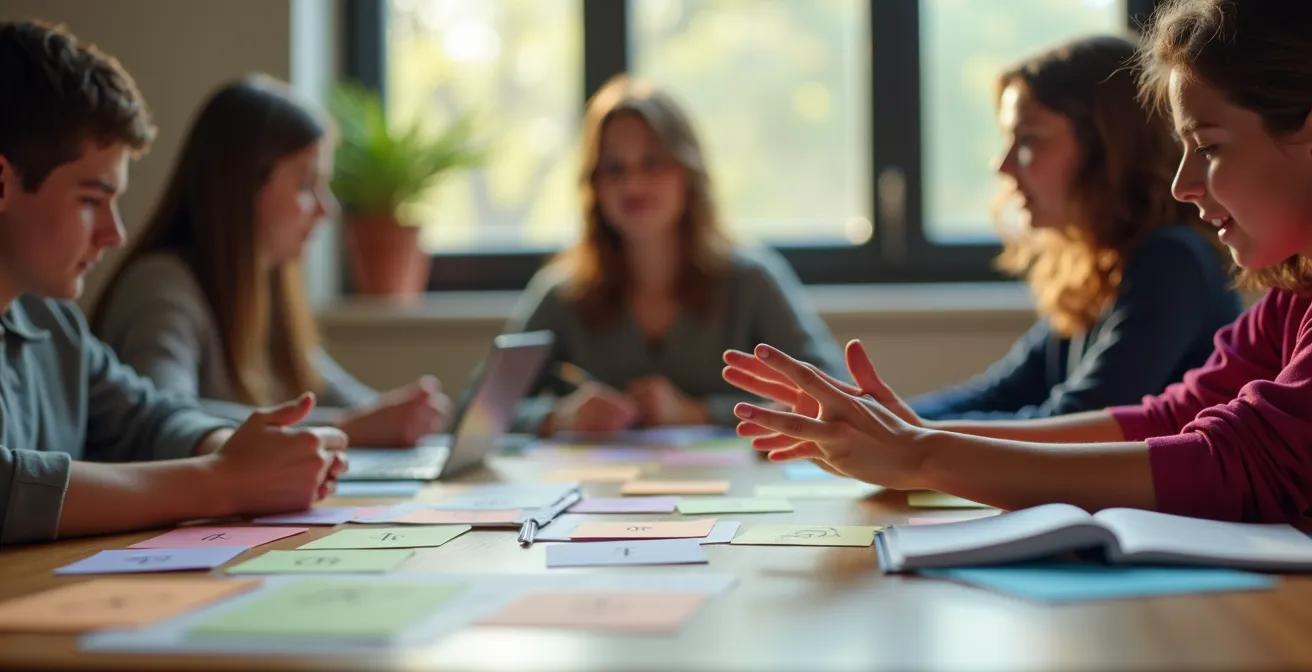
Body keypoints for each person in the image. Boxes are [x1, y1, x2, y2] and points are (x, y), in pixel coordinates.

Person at [723, 0, 1312, 524]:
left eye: (1208, 147)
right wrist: (902, 434)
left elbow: (1233, 463)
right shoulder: (1292, 299)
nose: (1186, 183)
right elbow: (1172, 416)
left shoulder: (1173, 260)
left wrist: (918, 453)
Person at [0, 20, 347, 545]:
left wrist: (227, 447)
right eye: (91, 201)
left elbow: (145, 417)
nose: (115, 233)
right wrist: (222, 482)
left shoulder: (50, 322)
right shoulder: (159, 285)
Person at [92, 76, 450, 448]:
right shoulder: (161, 285)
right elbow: (163, 418)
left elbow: (350, 403)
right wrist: (345, 428)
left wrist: (423, 417)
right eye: (306, 185)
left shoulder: (270, 289)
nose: (327, 210)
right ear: (245, 187)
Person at [908, 35, 1239, 421]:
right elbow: (1006, 391)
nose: (1002, 165)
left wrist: (904, 437)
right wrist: (880, 419)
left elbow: (1074, 422)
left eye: (1028, 140)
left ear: (1106, 147)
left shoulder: (1170, 261)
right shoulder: (1100, 263)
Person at [507, 75, 845, 436]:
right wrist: (557, 417)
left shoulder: (751, 280)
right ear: (593, 185)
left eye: (653, 162)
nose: (633, 185)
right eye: (614, 168)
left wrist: (698, 413)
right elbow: (478, 413)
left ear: (688, 172)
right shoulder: (564, 292)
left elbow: (835, 397)